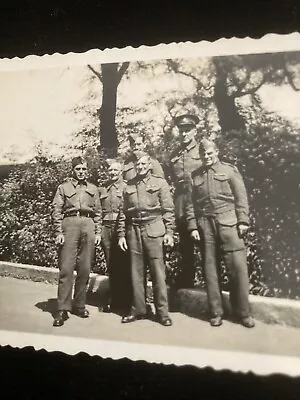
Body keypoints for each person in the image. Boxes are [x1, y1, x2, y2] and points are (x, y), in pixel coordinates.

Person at [185, 138, 255, 328]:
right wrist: (192, 226)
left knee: (237, 269)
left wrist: (243, 221)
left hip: (229, 222)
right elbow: (190, 204)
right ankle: (216, 312)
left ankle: (243, 313)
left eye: (210, 153)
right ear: (199, 156)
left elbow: (241, 196)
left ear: (216, 152)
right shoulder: (195, 175)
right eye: (203, 154)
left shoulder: (229, 170)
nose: (207, 157)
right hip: (205, 225)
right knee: (210, 271)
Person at [117, 152, 175, 326]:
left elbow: (168, 209)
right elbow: (122, 212)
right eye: (138, 165)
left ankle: (163, 313)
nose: (140, 167)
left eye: (143, 164)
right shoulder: (129, 186)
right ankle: (138, 309)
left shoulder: (160, 183)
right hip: (134, 230)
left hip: (154, 228)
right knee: (136, 273)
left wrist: (169, 232)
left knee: (158, 273)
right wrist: (121, 234)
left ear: (149, 165)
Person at [51, 156, 102, 327]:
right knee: (66, 268)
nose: (81, 172)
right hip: (70, 224)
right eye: (78, 169)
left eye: (84, 169)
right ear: (73, 170)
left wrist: (98, 232)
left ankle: (79, 305)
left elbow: (98, 213)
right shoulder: (63, 187)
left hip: (88, 225)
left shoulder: (93, 188)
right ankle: (62, 308)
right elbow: (56, 210)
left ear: (87, 170)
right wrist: (58, 231)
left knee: (85, 268)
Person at [168, 113, 202, 288]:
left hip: (200, 200)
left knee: (206, 241)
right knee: (185, 242)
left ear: (195, 131)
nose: (184, 134)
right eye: (181, 131)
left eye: (188, 130)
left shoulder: (203, 149)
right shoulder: (175, 153)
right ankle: (187, 278)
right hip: (181, 201)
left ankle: (212, 280)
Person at [99, 160, 131, 314]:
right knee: (110, 263)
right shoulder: (103, 188)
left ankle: (124, 299)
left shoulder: (126, 187)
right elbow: (98, 210)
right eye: (110, 170)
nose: (112, 172)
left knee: (122, 263)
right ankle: (113, 297)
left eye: (115, 170)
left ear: (121, 171)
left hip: (120, 227)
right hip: (106, 227)